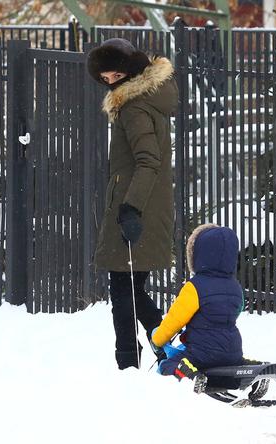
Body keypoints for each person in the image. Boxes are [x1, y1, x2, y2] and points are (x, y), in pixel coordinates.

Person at [86, 38, 178, 370]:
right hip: (140, 203)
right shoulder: (141, 101)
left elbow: (148, 161)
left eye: (115, 75)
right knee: (127, 290)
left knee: (124, 293)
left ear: (130, 71)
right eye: (105, 79)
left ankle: (135, 358)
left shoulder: (135, 107)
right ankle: (159, 344)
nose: (111, 83)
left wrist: (131, 208)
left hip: (138, 208)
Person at [150, 224, 245, 391]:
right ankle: (232, 380)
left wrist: (157, 339)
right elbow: (238, 309)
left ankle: (187, 373)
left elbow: (175, 320)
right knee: (222, 363)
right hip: (233, 351)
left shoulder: (195, 287)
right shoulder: (235, 287)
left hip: (202, 353)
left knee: (166, 365)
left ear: (198, 256)